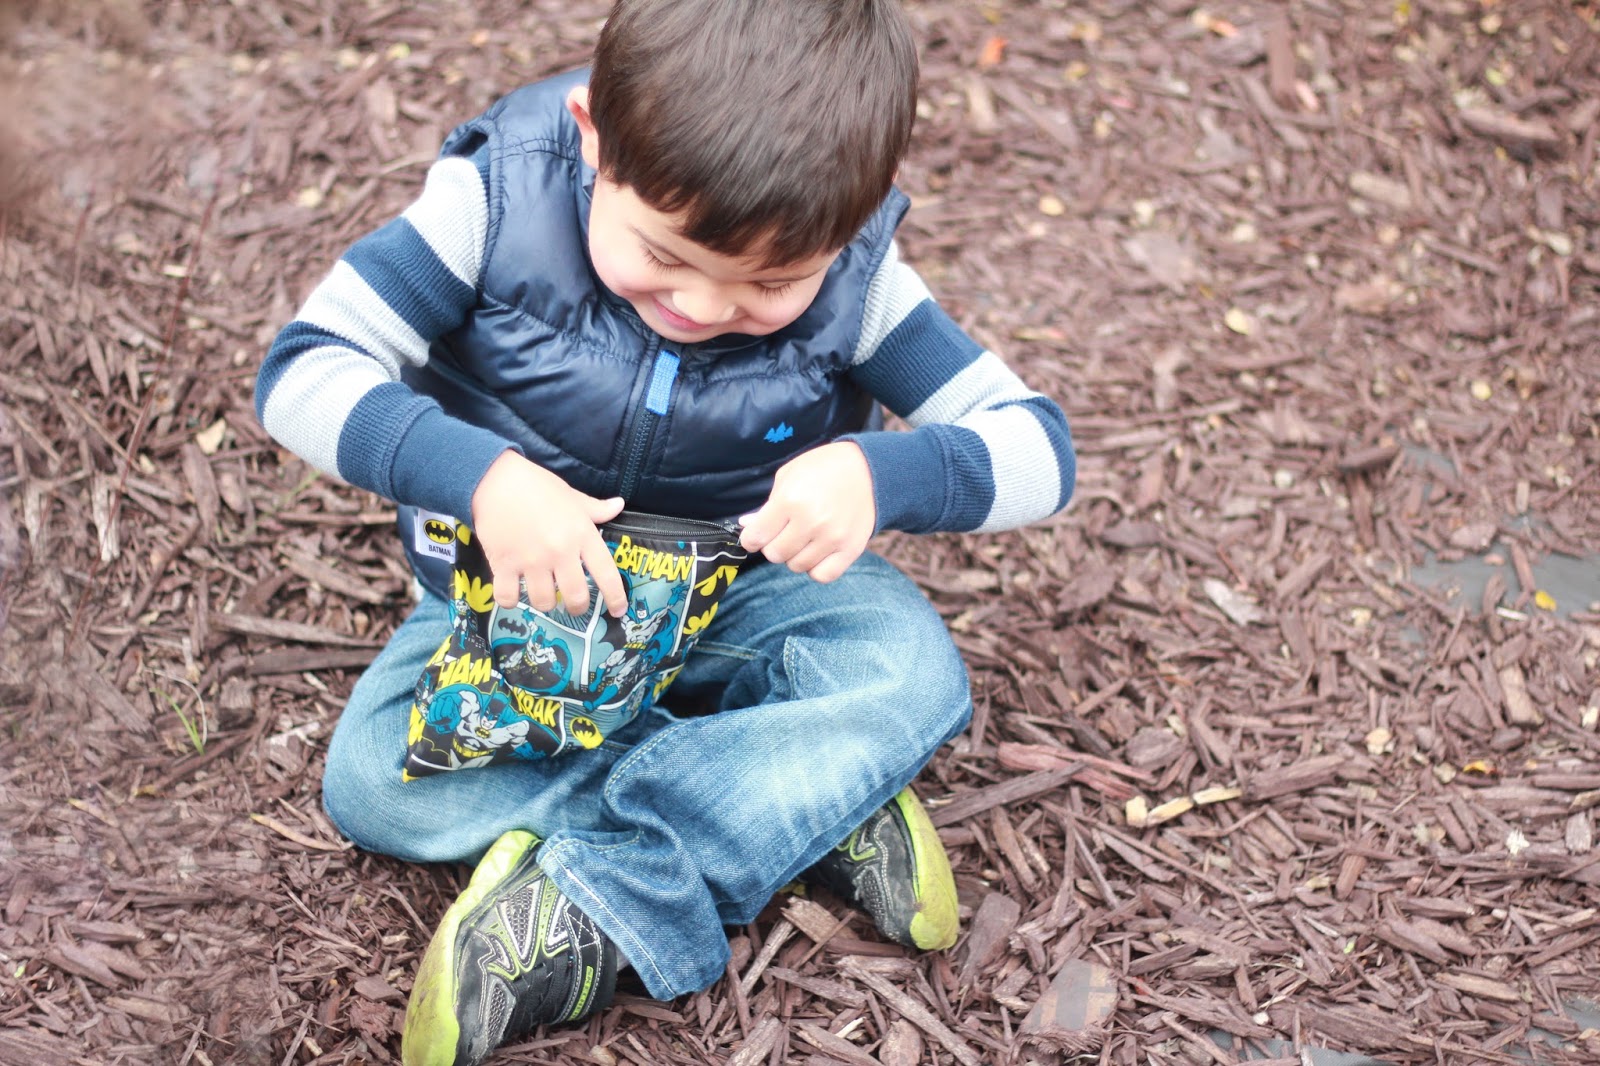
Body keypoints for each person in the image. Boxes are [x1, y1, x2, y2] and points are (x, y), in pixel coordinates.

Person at [254, 0, 1075, 1062]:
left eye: (773, 283)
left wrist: (885, 474)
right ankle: (806, 796)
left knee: (910, 671)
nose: (704, 303)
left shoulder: (860, 278)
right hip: (529, 599)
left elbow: (1039, 447)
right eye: (664, 253)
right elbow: (304, 368)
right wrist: (485, 479)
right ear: (595, 139)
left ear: (855, 219)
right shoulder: (494, 201)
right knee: (373, 780)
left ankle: (601, 905)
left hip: (744, 583)